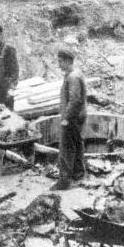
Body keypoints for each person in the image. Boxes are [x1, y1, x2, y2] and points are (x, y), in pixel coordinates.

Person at [51, 48, 86, 191]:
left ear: (67, 61)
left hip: (72, 118)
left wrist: (66, 118)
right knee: (77, 145)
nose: (58, 64)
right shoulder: (74, 75)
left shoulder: (72, 77)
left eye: (60, 61)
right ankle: (78, 174)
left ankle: (64, 181)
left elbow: (75, 100)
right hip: (77, 116)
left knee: (66, 148)